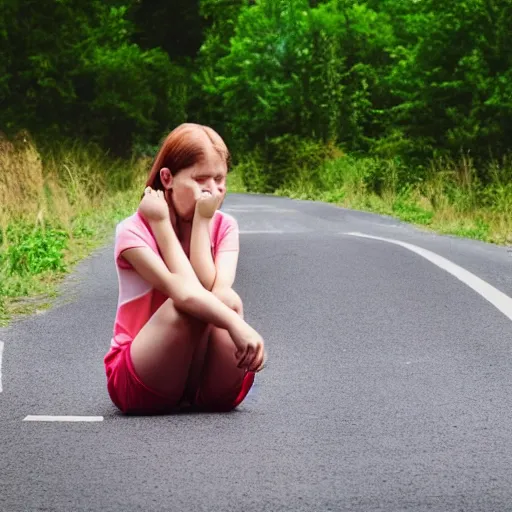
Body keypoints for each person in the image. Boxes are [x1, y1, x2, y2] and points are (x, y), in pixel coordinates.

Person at [104, 123, 266, 414]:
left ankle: (201, 394)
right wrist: (162, 225)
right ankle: (181, 392)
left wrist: (203, 224)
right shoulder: (134, 231)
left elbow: (213, 290)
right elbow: (185, 292)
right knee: (185, 307)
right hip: (140, 378)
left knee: (226, 300)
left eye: (220, 180)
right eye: (201, 180)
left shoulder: (224, 226)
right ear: (167, 178)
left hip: (203, 378)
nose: (213, 192)